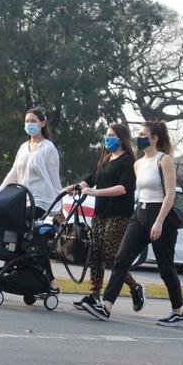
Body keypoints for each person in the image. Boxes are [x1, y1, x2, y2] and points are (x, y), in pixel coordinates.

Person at [81, 121, 183, 327]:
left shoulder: (164, 160)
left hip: (159, 215)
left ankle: (178, 311)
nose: (138, 137)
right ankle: (106, 306)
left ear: (154, 138)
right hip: (140, 214)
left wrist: (158, 222)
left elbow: (170, 194)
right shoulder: (138, 164)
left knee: (166, 268)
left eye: (142, 134)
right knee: (121, 260)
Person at [66, 123, 145, 314]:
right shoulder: (106, 158)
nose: (107, 138)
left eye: (112, 135)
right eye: (107, 135)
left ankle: (135, 287)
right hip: (100, 215)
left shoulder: (127, 162)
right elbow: (91, 178)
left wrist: (94, 192)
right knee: (95, 254)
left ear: (121, 139)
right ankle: (94, 295)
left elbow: (123, 188)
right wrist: (77, 186)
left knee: (111, 257)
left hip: (118, 216)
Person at [0, 107, 63, 219]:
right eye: (27, 121)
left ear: (42, 123)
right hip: (21, 199)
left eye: (33, 121)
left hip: (40, 202)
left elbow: (54, 179)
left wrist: (59, 205)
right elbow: (13, 174)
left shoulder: (48, 148)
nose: (29, 124)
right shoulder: (23, 148)